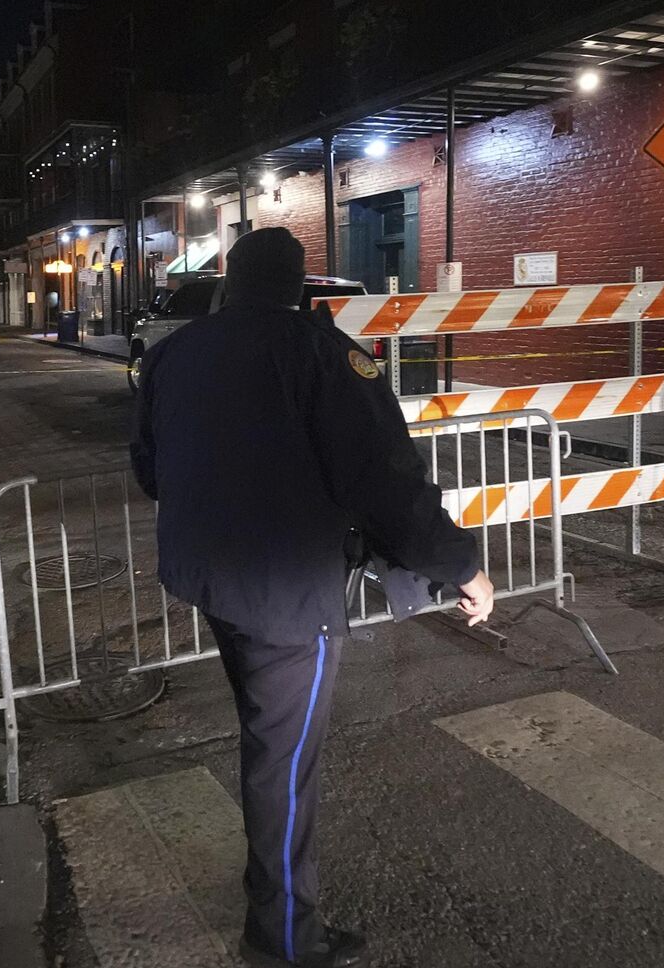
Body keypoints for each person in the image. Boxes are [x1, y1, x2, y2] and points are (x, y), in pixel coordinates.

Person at [131, 227, 494, 968]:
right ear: (299, 286)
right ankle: (284, 939)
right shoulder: (322, 353)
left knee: (268, 739)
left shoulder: (176, 352)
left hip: (210, 576)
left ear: (230, 280)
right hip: (285, 591)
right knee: (284, 763)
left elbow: (149, 469)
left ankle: (273, 896)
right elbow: (385, 478)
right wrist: (461, 565)